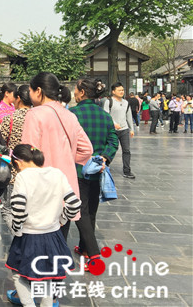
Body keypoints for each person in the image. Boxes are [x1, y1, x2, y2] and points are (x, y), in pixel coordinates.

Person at [5, 144, 81, 307]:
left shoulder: (23, 177)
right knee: (47, 274)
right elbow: (74, 204)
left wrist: (17, 229)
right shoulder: (56, 173)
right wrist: (61, 219)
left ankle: (28, 304)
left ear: (18, 163)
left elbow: (18, 208)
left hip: (29, 236)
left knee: (18, 274)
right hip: (53, 235)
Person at [21, 72, 93, 239]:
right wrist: (66, 159)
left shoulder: (34, 114)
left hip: (42, 191)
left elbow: (27, 155)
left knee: (40, 249)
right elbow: (87, 149)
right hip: (66, 189)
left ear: (38, 91)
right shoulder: (70, 115)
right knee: (59, 243)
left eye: (31, 91)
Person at [70, 79, 118, 270]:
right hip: (98, 169)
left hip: (78, 170)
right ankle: (83, 247)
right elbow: (113, 141)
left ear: (82, 93)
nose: (74, 93)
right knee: (91, 210)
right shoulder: (105, 116)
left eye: (75, 90)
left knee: (80, 211)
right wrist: (105, 157)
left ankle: (93, 254)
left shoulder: (73, 114)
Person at [0, 84, 32, 211]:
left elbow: (1, 144)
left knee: (8, 210)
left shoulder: (10, 119)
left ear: (18, 98)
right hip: (34, 171)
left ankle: (16, 231)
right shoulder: (37, 117)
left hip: (14, 172)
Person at [104, 82, 135, 179]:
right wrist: (114, 124)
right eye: (119, 90)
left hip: (124, 129)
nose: (122, 92)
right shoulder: (109, 102)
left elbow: (128, 116)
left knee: (126, 150)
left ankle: (127, 170)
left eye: (122, 90)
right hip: (112, 130)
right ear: (113, 91)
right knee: (111, 148)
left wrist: (131, 129)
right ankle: (105, 166)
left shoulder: (126, 102)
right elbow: (106, 115)